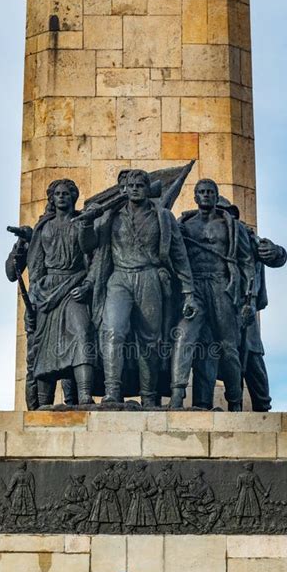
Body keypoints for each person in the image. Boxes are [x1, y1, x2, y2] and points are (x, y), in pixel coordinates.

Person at [86, 170, 196, 406]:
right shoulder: (110, 216)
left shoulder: (163, 217)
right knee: (113, 332)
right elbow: (89, 245)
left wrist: (188, 292)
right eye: (130, 185)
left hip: (149, 277)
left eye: (139, 185)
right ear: (123, 190)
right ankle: (112, 391)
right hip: (119, 278)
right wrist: (87, 222)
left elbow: (179, 255)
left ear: (148, 189)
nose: (134, 189)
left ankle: (149, 395)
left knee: (150, 341)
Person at [169, 179, 255, 411]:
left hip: (221, 287)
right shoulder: (185, 226)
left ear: (216, 197)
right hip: (194, 288)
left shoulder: (232, 227)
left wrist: (250, 300)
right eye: (201, 192)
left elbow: (247, 264)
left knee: (228, 348)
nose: (206, 196)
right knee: (184, 339)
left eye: (210, 192)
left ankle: (235, 402)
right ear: (195, 197)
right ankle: (178, 398)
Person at [23, 179, 99, 406]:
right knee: (46, 346)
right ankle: (45, 400)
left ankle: (85, 394)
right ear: (52, 198)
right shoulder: (43, 228)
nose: (62, 197)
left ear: (73, 197)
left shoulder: (80, 222)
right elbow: (36, 264)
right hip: (47, 291)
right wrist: (35, 295)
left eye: (67, 193)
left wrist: (87, 223)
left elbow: (90, 250)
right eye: (58, 193)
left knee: (82, 332)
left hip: (73, 283)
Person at [244, 227, 287, 411]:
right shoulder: (193, 227)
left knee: (252, 352)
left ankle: (262, 404)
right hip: (209, 302)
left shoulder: (246, 236)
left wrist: (277, 251)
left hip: (245, 302)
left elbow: (276, 256)